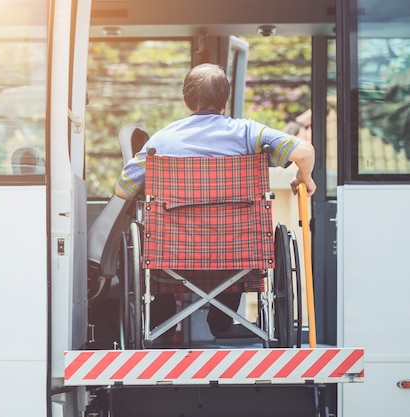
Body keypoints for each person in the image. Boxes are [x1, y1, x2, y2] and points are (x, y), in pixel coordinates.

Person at [114, 63, 316, 337]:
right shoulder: (248, 134)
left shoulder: (161, 143)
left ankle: (160, 325)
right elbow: (304, 152)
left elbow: (123, 190)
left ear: (186, 101)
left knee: (154, 243)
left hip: (173, 255)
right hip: (236, 254)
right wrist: (304, 178)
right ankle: (221, 323)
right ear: (225, 101)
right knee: (234, 248)